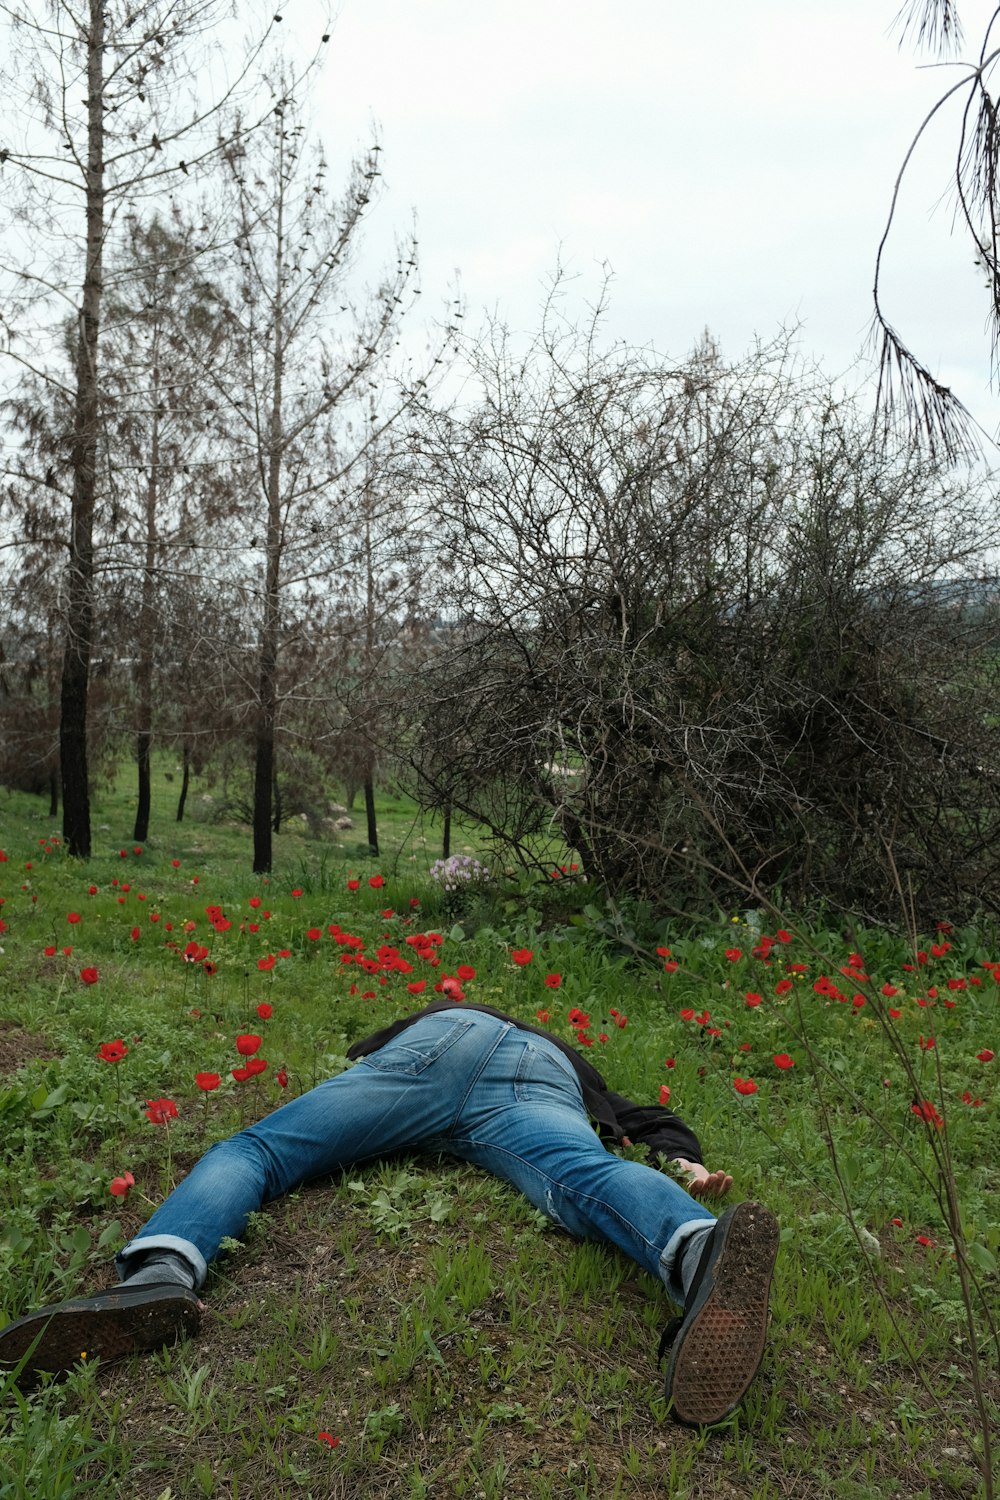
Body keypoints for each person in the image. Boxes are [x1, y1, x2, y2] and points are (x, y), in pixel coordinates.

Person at [0, 1002, 779, 1426]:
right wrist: (683, 1158)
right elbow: (643, 1117)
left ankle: (159, 1270)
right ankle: (695, 1249)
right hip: (540, 1085)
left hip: (440, 1039)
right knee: (586, 1175)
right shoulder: (569, 1060)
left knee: (267, 1152)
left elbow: (363, 1059)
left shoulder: (433, 1018)